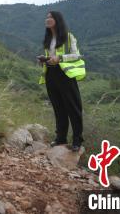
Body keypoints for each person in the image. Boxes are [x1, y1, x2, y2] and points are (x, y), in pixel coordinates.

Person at [37, 11, 86, 151]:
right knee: (58, 107)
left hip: (65, 74)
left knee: (73, 107)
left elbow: (77, 55)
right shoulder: (48, 39)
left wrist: (61, 58)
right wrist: (44, 59)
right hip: (50, 74)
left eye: (50, 17)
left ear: (57, 20)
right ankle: (61, 138)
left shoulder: (68, 37)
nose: (47, 19)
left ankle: (77, 141)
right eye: (46, 17)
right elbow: (50, 56)